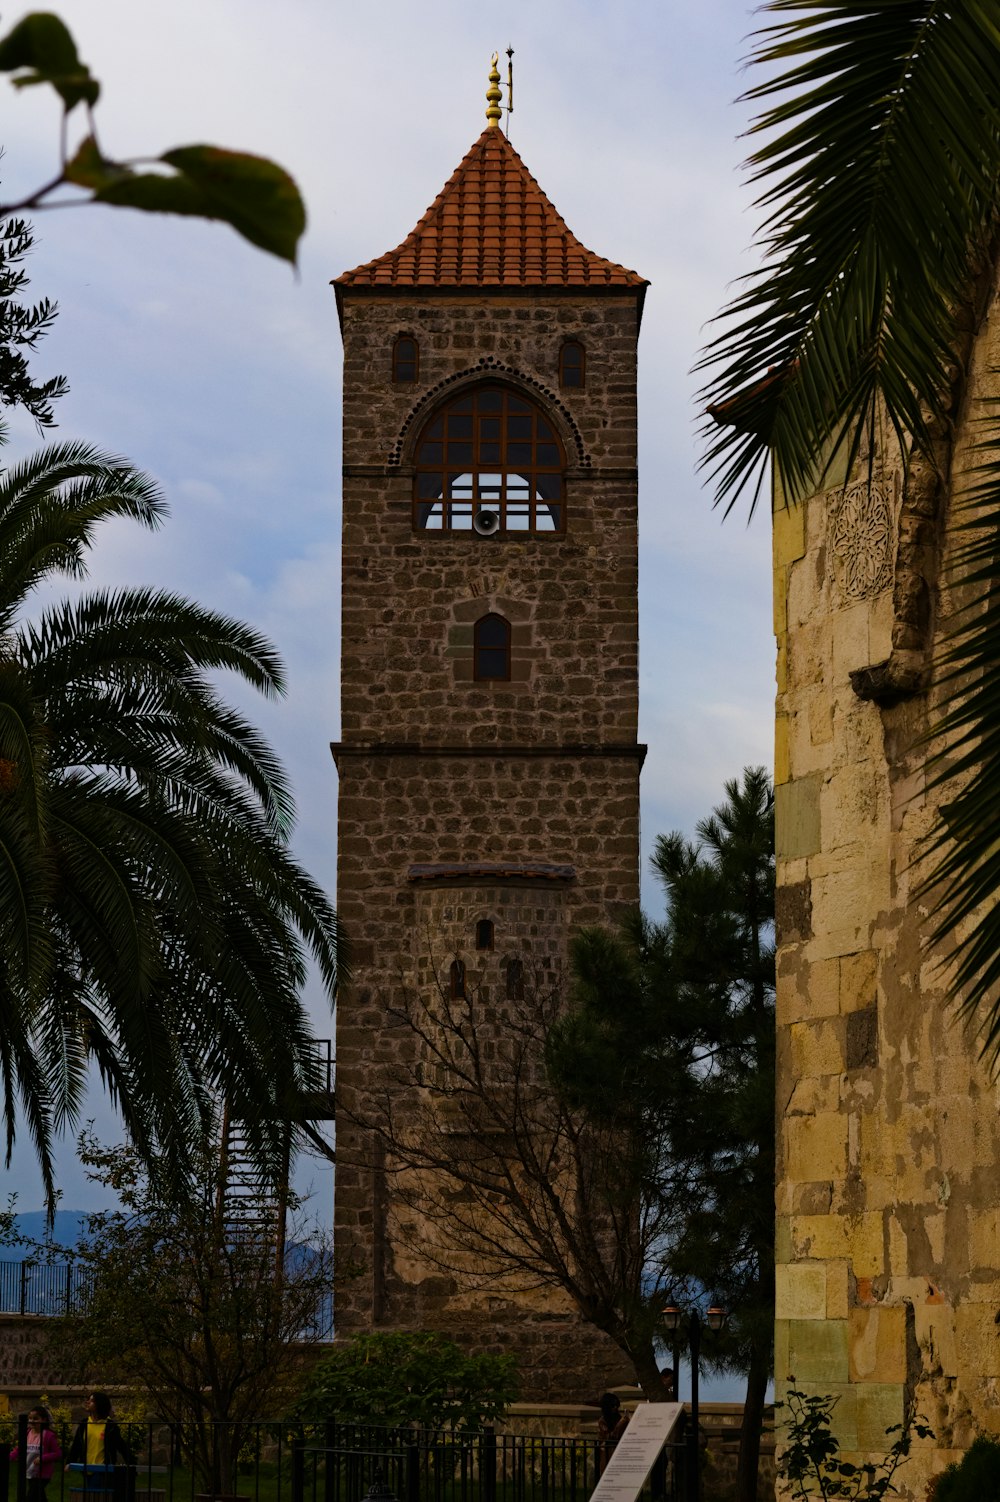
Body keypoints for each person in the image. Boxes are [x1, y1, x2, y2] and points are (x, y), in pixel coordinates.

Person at [68, 1393, 135, 1499]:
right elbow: (77, 1445)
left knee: (94, 1495)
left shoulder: (110, 1426)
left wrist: (132, 1463)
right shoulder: (84, 1424)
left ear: (100, 1404)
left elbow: (121, 1445)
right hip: (86, 1469)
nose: (88, 1402)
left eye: (92, 1400)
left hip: (102, 1469)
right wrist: (69, 1462)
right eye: (88, 1399)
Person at [9, 1404, 62, 1502]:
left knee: (31, 1496)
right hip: (29, 1471)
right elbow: (19, 1449)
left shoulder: (48, 1435)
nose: (32, 1421)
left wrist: (42, 1458)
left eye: (36, 1418)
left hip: (42, 1474)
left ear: (44, 1420)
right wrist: (10, 1456)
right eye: (30, 1418)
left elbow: (57, 1453)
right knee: (39, 1497)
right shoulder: (27, 1433)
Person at [597, 1391, 630, 1473]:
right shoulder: (603, 1421)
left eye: (617, 1405)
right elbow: (609, 1437)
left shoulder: (618, 1418)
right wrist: (620, 1425)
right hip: (608, 1453)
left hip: (620, 1452)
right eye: (612, 1406)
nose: (615, 1407)